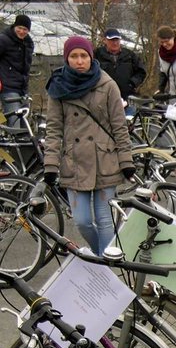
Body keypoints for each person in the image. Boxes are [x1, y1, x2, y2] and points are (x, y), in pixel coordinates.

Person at [44, 36, 135, 255]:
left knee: (105, 219)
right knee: (82, 220)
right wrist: (50, 165)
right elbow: (54, 129)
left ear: (91, 57)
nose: (79, 61)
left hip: (105, 159)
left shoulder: (107, 84)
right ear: (67, 59)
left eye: (83, 55)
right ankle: (100, 256)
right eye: (74, 56)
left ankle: (105, 268)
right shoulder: (57, 88)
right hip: (74, 162)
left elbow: (119, 126)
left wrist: (126, 161)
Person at [97, 28, 146, 114]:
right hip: (104, 99)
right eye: (112, 40)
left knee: (129, 125)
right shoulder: (97, 55)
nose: (115, 43)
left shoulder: (130, 55)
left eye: (117, 40)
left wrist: (132, 83)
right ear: (105, 40)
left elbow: (141, 71)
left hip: (127, 98)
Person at [0, 14, 33, 124]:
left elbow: (26, 67)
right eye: (19, 28)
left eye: (25, 29)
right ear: (14, 26)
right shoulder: (4, 40)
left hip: (23, 88)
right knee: (15, 122)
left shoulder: (28, 43)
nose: (21, 31)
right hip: (7, 87)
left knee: (25, 123)